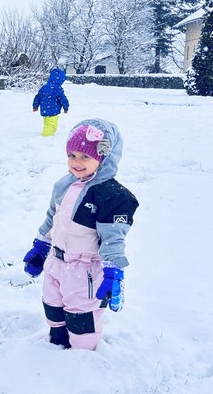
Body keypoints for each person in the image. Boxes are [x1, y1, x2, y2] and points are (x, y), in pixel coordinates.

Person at [21, 119, 139, 350]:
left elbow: (113, 239)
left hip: (83, 269)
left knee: (81, 317)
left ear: (104, 157)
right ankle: (56, 345)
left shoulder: (110, 195)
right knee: (52, 306)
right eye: (72, 155)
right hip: (56, 262)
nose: (77, 162)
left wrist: (114, 272)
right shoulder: (64, 185)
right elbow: (51, 219)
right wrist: (41, 246)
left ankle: (81, 357)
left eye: (85, 157)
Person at [32, 67, 70, 136]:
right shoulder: (57, 88)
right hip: (53, 110)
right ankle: (45, 138)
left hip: (44, 110)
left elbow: (38, 97)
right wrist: (66, 107)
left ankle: (47, 135)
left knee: (47, 124)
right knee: (52, 126)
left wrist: (35, 106)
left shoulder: (44, 87)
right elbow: (62, 98)